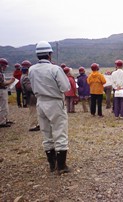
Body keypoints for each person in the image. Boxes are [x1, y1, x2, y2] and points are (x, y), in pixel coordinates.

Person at [29, 41, 71, 174]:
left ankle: (52, 165)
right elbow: (65, 87)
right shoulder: (55, 69)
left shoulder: (31, 69)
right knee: (60, 132)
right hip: (54, 102)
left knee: (46, 133)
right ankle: (61, 166)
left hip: (40, 102)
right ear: (49, 54)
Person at [20, 60, 40, 131]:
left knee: (34, 111)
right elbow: (29, 88)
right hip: (31, 97)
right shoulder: (26, 77)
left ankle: (36, 124)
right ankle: (33, 125)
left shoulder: (23, 76)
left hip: (29, 97)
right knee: (33, 112)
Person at [0, 58, 15, 128]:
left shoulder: (1, 73)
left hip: (2, 90)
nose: (5, 68)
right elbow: (2, 84)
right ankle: (2, 122)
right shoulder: (0, 73)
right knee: (3, 107)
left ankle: (4, 119)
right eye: (4, 66)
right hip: (1, 91)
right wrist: (11, 81)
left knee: (4, 106)